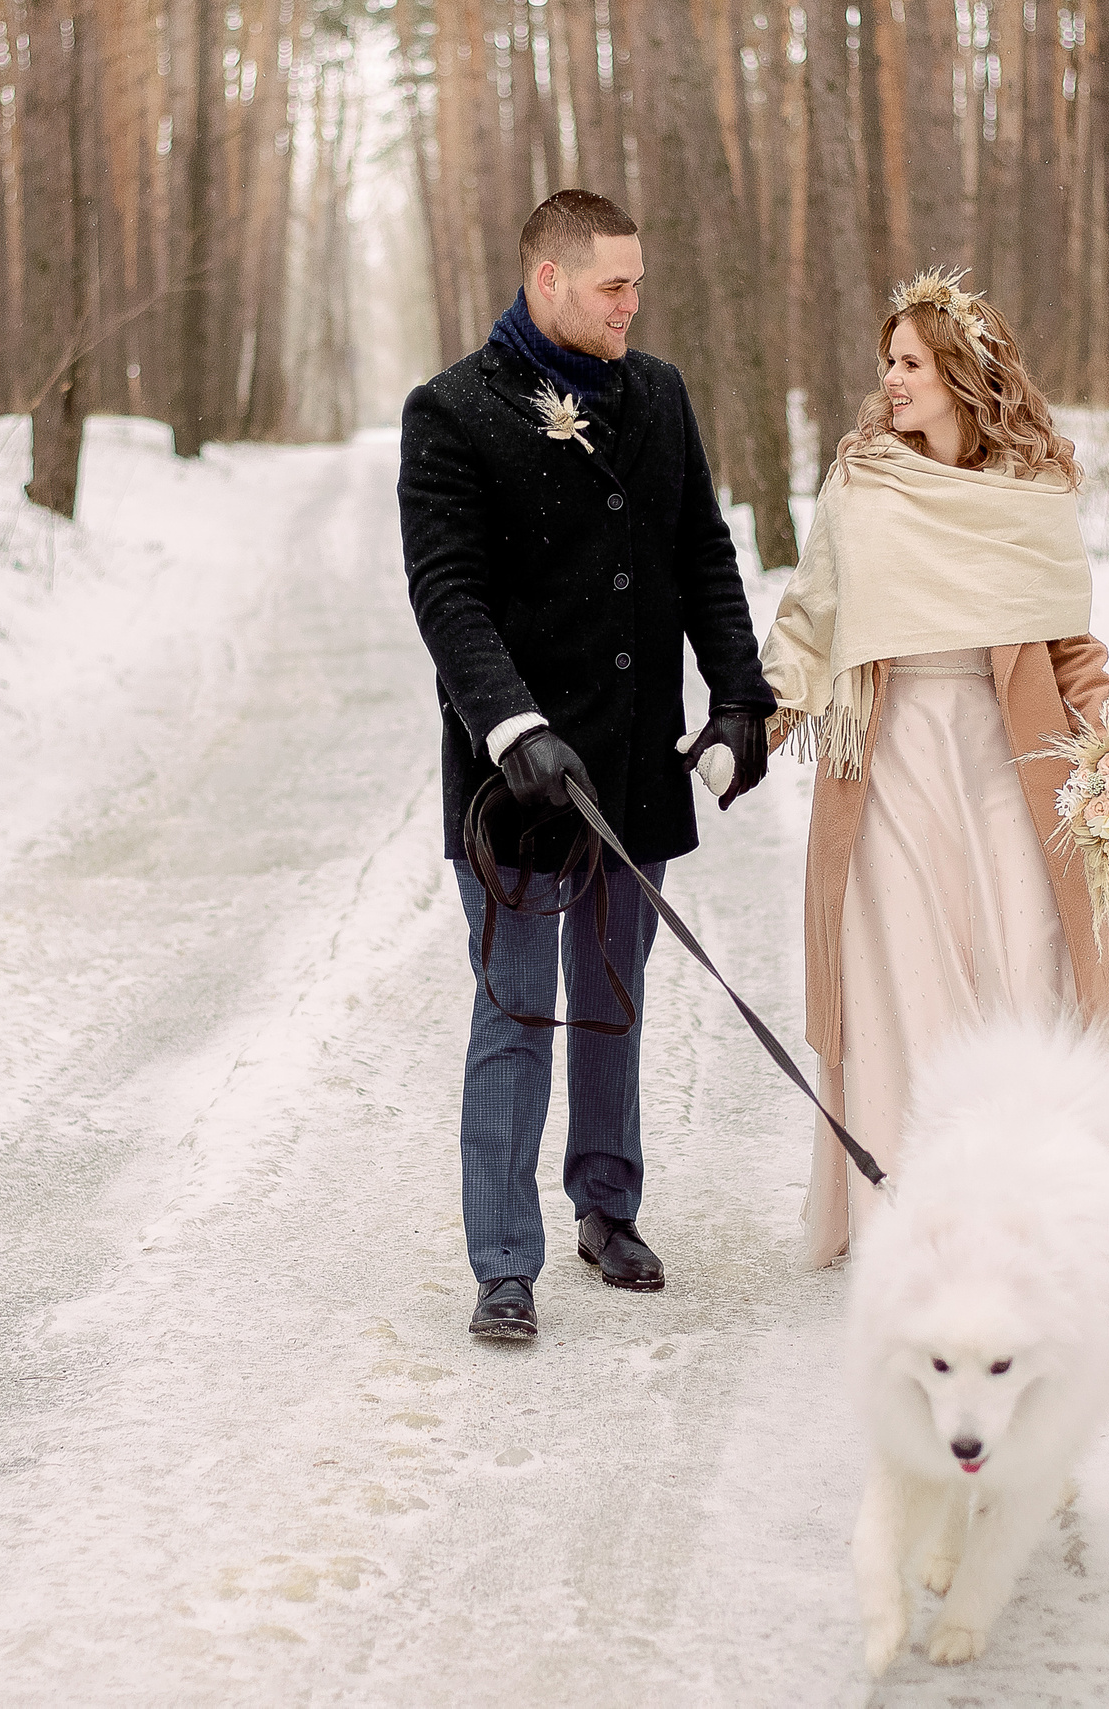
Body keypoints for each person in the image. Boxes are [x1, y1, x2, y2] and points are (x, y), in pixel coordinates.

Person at [398, 190, 775, 1340]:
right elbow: (448, 595)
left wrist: (739, 698)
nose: (631, 303)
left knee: (612, 997)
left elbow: (702, 552)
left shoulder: (657, 393)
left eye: (638, 284)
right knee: (516, 1007)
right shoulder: (450, 411)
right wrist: (513, 728)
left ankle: (607, 1207)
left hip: (633, 758)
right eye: (614, 285)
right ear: (548, 279)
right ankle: (502, 1259)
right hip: (513, 778)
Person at [761, 270, 1109, 1269]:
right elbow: (810, 620)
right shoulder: (863, 483)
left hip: (1011, 762)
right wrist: (755, 725)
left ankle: (1026, 1207)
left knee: (1023, 972)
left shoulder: (1031, 493)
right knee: (904, 987)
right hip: (888, 760)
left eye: (910, 362)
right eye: (888, 362)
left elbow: (1071, 646)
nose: (890, 379)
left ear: (962, 374)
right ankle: (913, 1218)